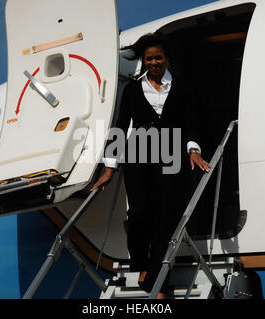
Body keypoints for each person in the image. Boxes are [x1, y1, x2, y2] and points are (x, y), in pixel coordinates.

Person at [91, 32, 209, 299]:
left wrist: (193, 151)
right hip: (139, 154)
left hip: (171, 154)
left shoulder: (182, 87)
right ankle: (143, 267)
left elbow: (191, 123)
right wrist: (110, 167)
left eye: (158, 57)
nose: (153, 63)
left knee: (167, 216)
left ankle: (154, 280)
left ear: (166, 58)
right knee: (141, 213)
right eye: (148, 59)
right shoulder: (133, 89)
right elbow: (121, 125)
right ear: (143, 62)